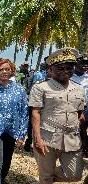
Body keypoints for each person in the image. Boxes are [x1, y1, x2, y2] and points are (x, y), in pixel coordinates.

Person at [29, 48, 85, 184]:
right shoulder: (41, 87)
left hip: (72, 139)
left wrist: (84, 136)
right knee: (46, 176)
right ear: (50, 69)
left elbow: (80, 114)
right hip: (47, 138)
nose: (66, 71)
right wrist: (37, 140)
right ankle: (46, 177)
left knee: (75, 175)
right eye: (60, 68)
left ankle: (47, 177)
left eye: (69, 67)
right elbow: (35, 113)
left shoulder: (78, 88)